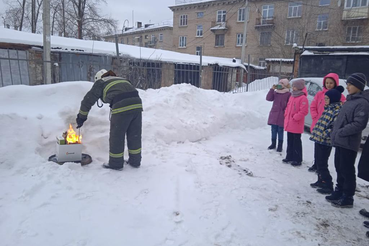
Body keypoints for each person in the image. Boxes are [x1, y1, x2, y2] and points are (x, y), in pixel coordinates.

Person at [76, 69, 143, 171]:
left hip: (121, 105)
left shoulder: (100, 83)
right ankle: (135, 161)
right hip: (137, 105)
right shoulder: (122, 79)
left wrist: (81, 117)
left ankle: (115, 163)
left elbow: (87, 100)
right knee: (134, 135)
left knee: (117, 135)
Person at [326, 73, 369, 208]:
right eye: (347, 84)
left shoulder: (362, 103)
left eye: (350, 84)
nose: (347, 87)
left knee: (347, 170)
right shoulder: (350, 100)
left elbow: (359, 124)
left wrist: (341, 132)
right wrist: (335, 128)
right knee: (339, 167)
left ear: (358, 86)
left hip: (349, 143)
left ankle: (348, 196)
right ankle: (339, 190)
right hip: (340, 141)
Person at [309, 86, 344, 194]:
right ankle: (321, 180)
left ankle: (328, 184)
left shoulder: (337, 112)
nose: (325, 100)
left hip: (325, 141)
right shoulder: (328, 108)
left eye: (327, 99)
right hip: (319, 139)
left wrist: (324, 134)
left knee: (322, 163)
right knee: (318, 163)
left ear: (333, 99)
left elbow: (333, 128)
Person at [308, 73, 346, 172]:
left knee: (325, 148)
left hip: (329, 125)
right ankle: (316, 164)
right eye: (327, 82)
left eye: (331, 83)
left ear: (335, 83)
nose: (328, 85)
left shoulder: (340, 96)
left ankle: (322, 166)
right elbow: (313, 106)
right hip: (319, 122)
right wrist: (315, 116)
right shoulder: (320, 94)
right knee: (317, 146)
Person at [282, 79, 309, 166]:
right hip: (290, 123)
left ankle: (297, 159)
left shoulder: (303, 98)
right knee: (290, 140)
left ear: (299, 87)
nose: (293, 88)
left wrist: (295, 117)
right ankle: (289, 156)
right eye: (293, 86)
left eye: (294, 86)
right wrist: (286, 114)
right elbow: (288, 107)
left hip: (296, 124)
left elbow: (304, 111)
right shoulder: (292, 96)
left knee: (296, 142)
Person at [266, 79, 291, 152]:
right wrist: (272, 89)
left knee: (280, 130)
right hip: (274, 113)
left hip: (282, 114)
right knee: (273, 129)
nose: (280, 85)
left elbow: (289, 104)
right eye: (279, 83)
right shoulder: (276, 93)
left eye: (282, 84)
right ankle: (273, 143)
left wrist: (286, 112)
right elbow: (268, 98)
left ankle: (280, 145)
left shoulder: (288, 94)